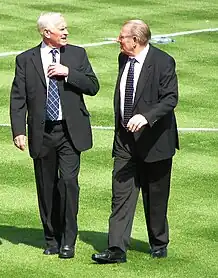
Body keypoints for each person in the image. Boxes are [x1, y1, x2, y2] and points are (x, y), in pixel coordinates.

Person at [10, 12, 99, 259]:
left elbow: (93, 86)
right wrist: (19, 131)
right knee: (46, 187)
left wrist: (68, 72)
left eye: (66, 28)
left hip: (70, 133)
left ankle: (69, 241)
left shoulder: (77, 54)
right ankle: (51, 239)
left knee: (69, 183)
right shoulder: (25, 59)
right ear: (46, 33)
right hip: (42, 132)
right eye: (62, 28)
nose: (66, 32)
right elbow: (18, 98)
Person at [92, 19, 179, 264]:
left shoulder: (163, 62)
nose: (118, 40)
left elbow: (170, 98)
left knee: (156, 197)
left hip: (155, 142)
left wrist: (145, 116)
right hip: (124, 141)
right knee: (120, 195)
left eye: (122, 37)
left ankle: (159, 243)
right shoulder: (123, 59)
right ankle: (116, 249)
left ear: (136, 40)